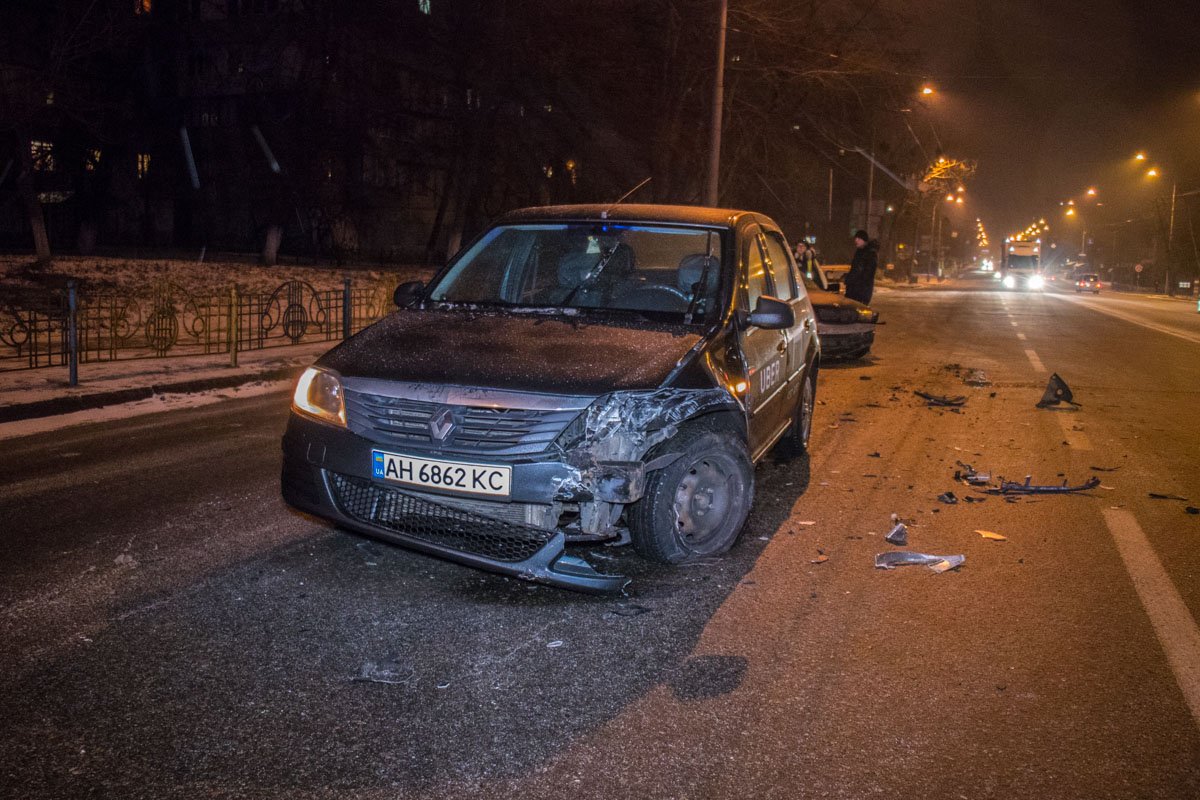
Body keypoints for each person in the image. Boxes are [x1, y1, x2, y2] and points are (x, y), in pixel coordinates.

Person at [844, 229, 878, 305]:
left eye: (858, 239)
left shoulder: (870, 254)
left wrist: (854, 281)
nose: (856, 241)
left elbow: (867, 274)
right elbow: (855, 269)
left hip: (861, 292)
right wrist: (849, 278)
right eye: (855, 238)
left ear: (864, 240)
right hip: (854, 290)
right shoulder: (859, 252)